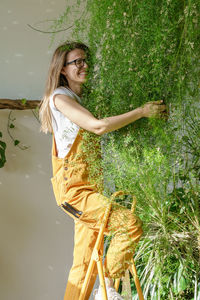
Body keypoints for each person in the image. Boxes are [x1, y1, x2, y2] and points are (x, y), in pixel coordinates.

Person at [39, 41, 166, 300]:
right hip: (75, 191)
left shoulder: (79, 98)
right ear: (62, 69)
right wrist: (142, 111)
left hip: (89, 188)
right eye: (77, 62)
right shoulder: (60, 98)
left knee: (83, 266)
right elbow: (97, 127)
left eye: (86, 61)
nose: (84, 66)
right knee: (129, 225)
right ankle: (106, 288)